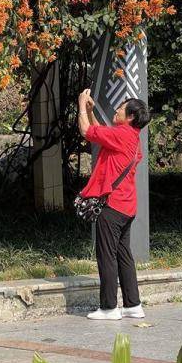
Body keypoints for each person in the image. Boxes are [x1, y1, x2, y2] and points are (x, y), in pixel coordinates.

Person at [77, 88, 150, 321]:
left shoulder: (122, 135)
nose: (116, 110)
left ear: (130, 116)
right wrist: (90, 111)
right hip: (127, 206)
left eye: (120, 108)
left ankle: (109, 307)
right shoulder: (131, 137)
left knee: (106, 255)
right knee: (123, 254)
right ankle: (133, 305)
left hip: (113, 206)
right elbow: (101, 133)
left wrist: (80, 106)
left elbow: (87, 131)